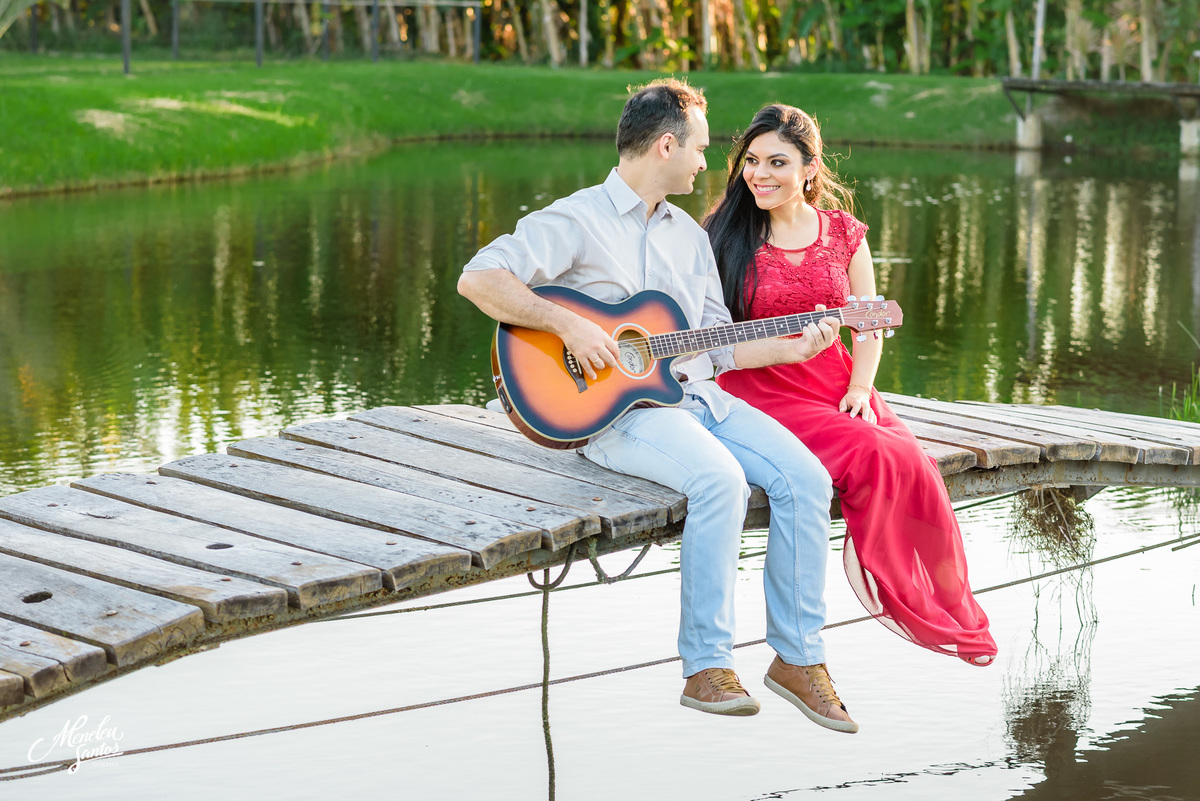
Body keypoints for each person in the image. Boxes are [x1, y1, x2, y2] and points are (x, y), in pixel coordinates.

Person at [458, 80, 861, 733]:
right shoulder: (576, 219)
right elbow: (480, 277)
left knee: (807, 478)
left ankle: (797, 657)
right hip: (614, 414)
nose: (708, 163)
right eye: (700, 148)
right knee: (719, 479)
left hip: (698, 398)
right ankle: (706, 665)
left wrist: (793, 347)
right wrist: (568, 326)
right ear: (666, 144)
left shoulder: (689, 236)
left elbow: (715, 345)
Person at [704, 103, 998, 666]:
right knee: (872, 453)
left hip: (836, 383)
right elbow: (702, 332)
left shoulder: (842, 231)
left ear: (810, 169)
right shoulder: (721, 234)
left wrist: (861, 390)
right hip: (756, 389)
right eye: (752, 161)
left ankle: (944, 603)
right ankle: (904, 600)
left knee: (910, 458)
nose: (759, 174)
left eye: (777, 163)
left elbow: (868, 323)